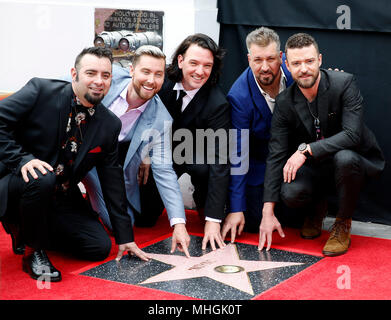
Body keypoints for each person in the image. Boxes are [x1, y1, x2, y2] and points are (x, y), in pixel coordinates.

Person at [0, 47, 150, 282]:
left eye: (106, 75)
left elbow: (112, 179)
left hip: (61, 195)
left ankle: (26, 228)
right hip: (19, 183)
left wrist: (124, 236)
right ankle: (32, 252)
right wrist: (21, 160)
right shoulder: (41, 91)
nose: (99, 81)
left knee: (97, 247)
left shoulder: (109, 125)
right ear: (74, 73)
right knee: (42, 175)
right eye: (91, 73)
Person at [259, 33, 385, 256]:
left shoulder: (344, 83)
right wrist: (267, 212)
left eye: (309, 61)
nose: (304, 69)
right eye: (296, 63)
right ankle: (317, 207)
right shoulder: (284, 102)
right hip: (318, 168)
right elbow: (276, 154)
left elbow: (352, 135)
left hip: (355, 162)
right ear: (287, 65)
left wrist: (306, 150)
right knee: (289, 192)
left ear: (319, 59)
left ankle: (342, 223)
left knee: (344, 158)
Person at [82, 45, 191, 257]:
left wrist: (178, 223)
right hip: (73, 148)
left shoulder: (161, 118)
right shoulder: (106, 80)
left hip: (102, 165)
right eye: (146, 72)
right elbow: (67, 85)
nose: (151, 80)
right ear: (132, 70)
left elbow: (165, 171)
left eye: (158, 74)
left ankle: (89, 195)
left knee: (123, 224)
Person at [140, 33, 231, 251]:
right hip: (162, 155)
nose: (200, 72)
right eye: (194, 63)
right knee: (144, 219)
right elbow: (142, 120)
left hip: (201, 159)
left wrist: (213, 219)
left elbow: (221, 159)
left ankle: (203, 201)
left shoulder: (218, 102)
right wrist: (145, 153)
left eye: (207, 65)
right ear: (180, 61)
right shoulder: (161, 84)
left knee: (204, 169)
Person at [221, 27, 294, 243]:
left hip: (293, 162)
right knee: (251, 222)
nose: (265, 67)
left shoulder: (296, 77)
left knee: (295, 210)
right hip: (259, 166)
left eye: (271, 59)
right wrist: (236, 208)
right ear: (248, 59)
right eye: (258, 59)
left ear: (281, 57)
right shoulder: (239, 95)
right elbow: (238, 153)